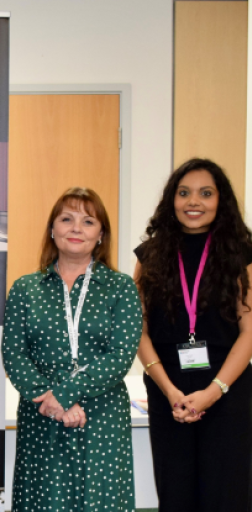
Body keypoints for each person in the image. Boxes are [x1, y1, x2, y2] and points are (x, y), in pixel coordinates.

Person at [2, 187, 142, 511]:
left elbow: (121, 355)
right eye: (67, 219)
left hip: (102, 417)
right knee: (45, 501)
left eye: (88, 221)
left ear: (101, 234)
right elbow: (14, 354)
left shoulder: (121, 288)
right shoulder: (25, 289)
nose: (76, 228)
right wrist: (50, 400)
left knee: (101, 502)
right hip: (42, 414)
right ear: (52, 229)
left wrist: (65, 393)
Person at [134, 158, 252, 512]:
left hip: (228, 392)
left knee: (225, 495)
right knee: (175, 495)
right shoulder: (150, 255)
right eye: (184, 193)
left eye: (205, 193)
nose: (193, 202)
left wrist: (213, 393)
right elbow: (137, 330)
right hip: (168, 392)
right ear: (172, 200)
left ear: (221, 200)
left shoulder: (238, 255)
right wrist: (170, 391)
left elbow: (248, 332)